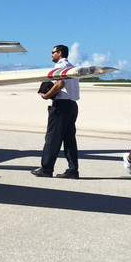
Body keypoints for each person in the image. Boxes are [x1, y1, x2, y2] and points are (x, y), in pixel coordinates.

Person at [32, 44, 80, 179]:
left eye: (53, 52)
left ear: (59, 53)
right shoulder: (72, 67)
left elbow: (60, 84)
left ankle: (46, 168)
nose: (51, 55)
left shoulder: (59, 67)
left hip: (62, 105)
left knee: (52, 138)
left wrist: (46, 96)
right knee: (69, 139)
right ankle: (73, 169)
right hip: (72, 105)